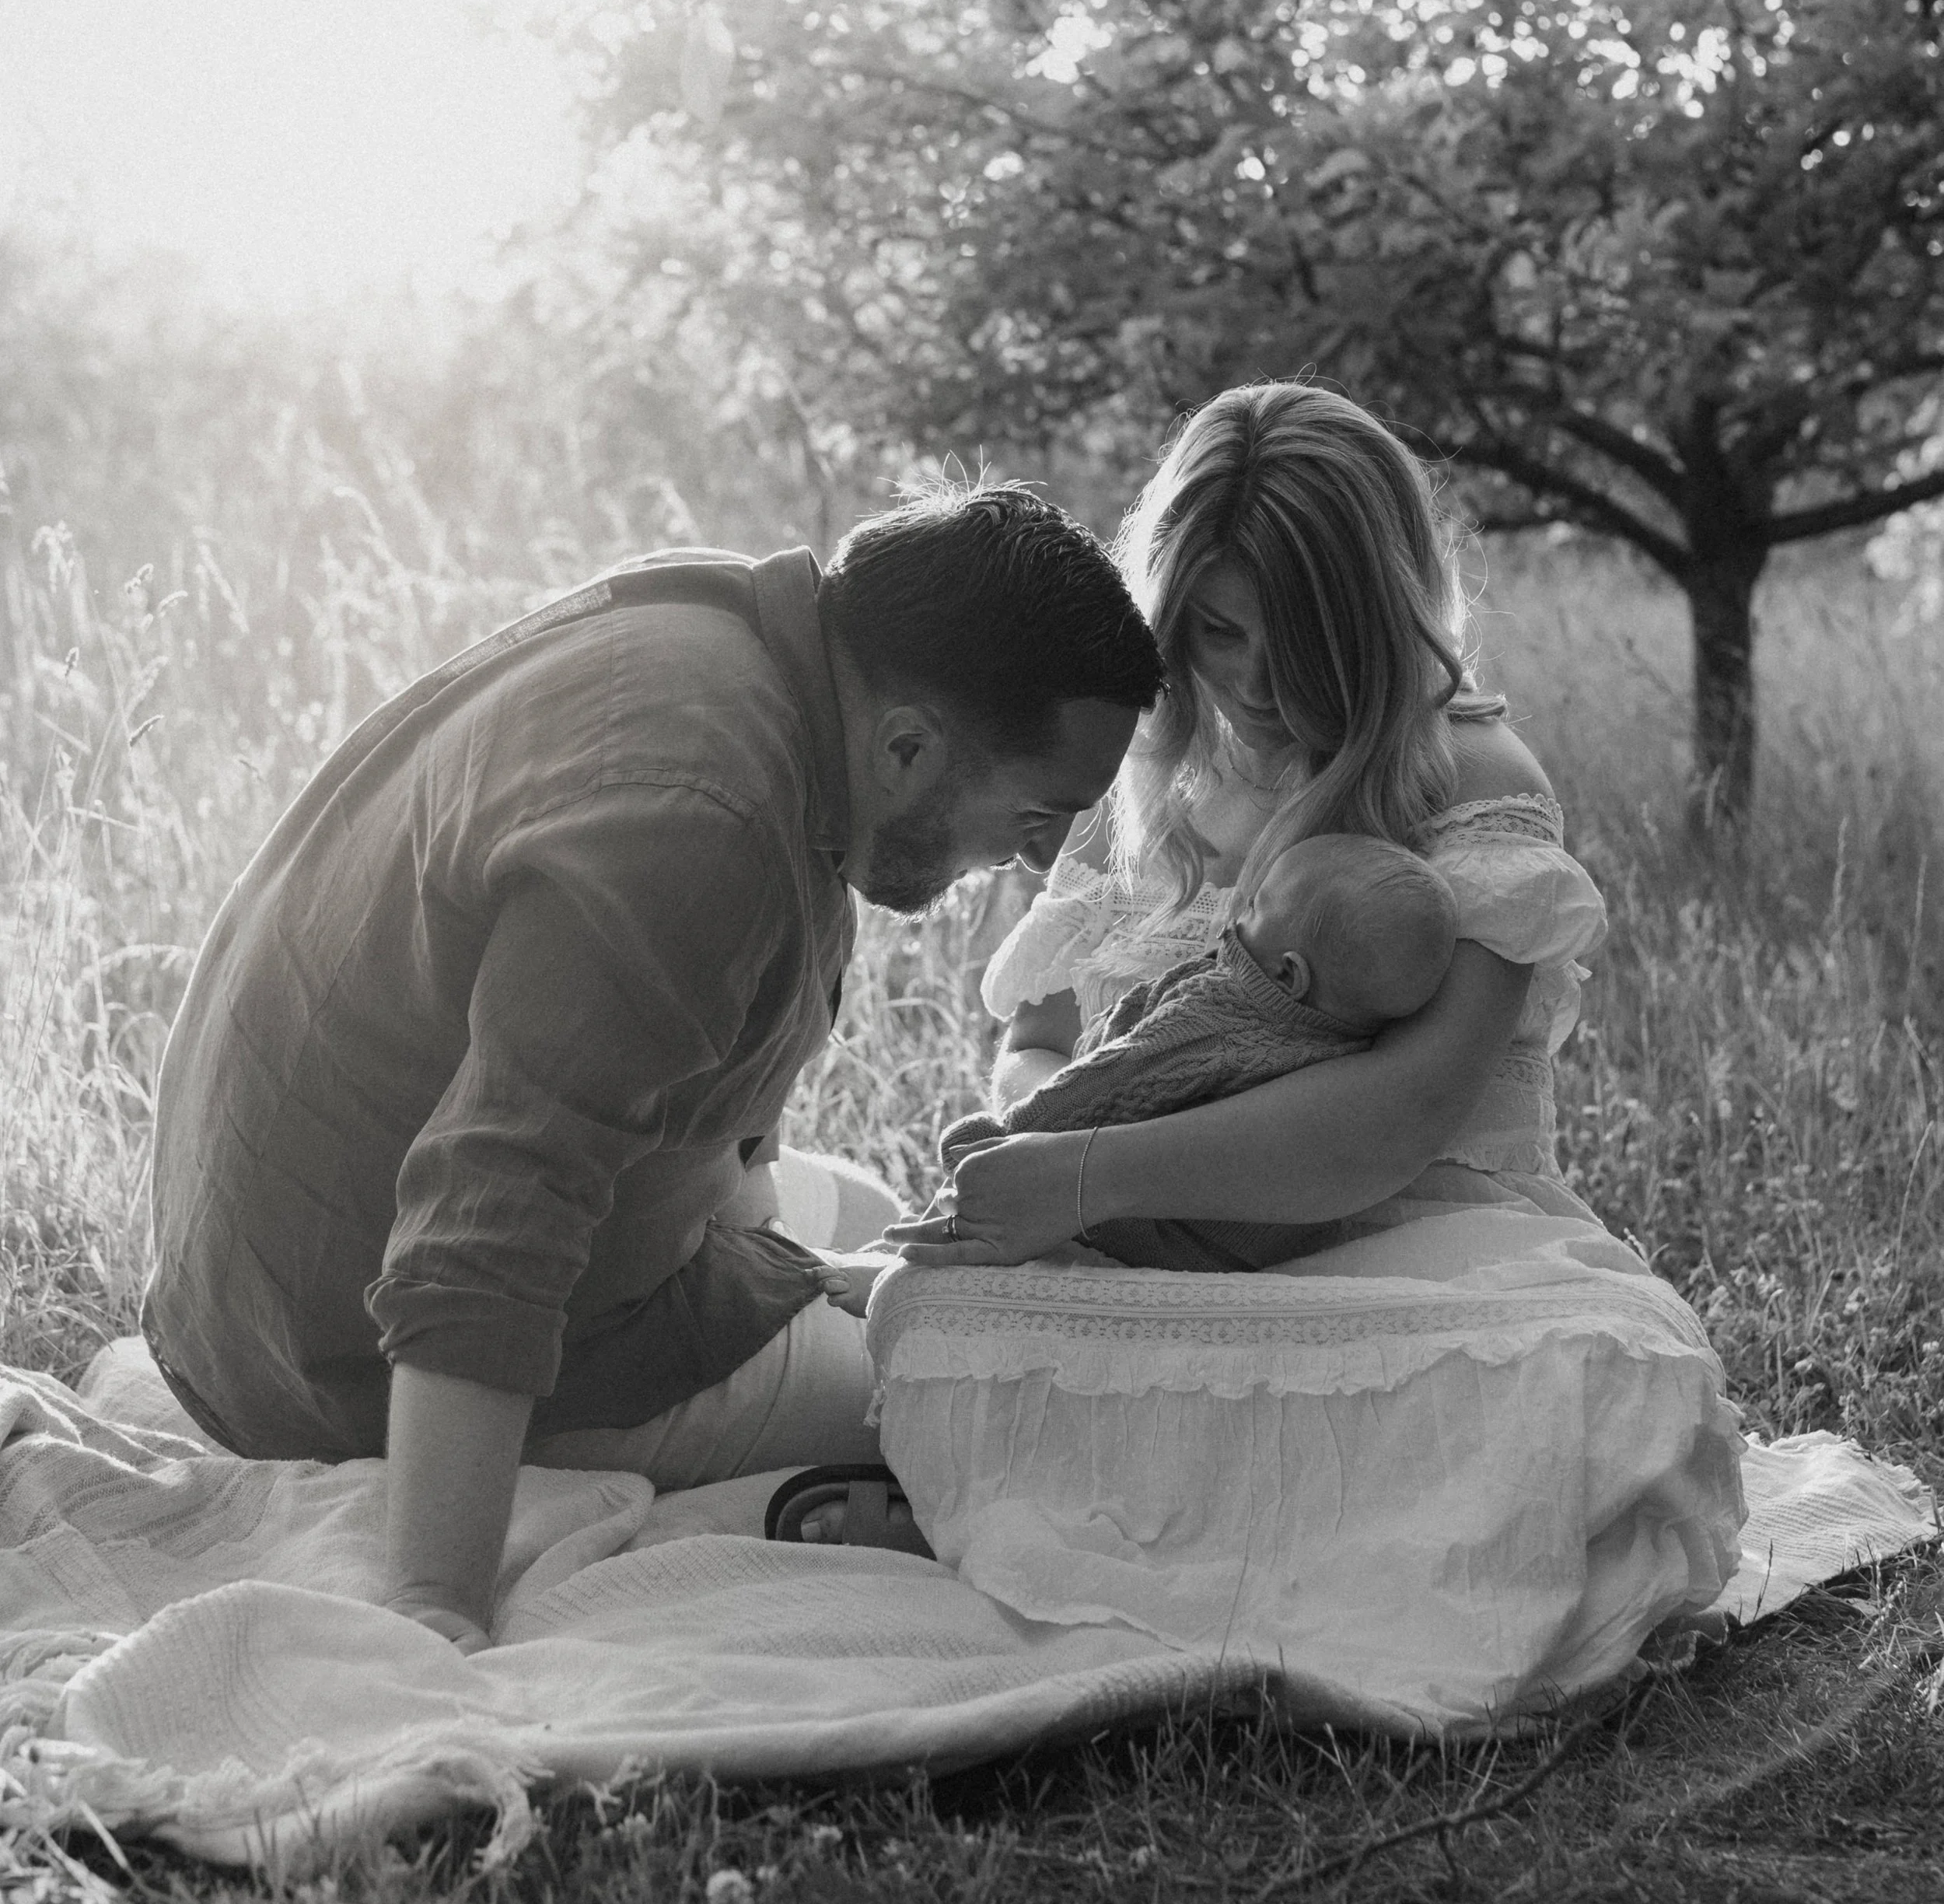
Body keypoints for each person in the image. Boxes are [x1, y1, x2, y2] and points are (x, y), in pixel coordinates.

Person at [141, 483, 1163, 1648]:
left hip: (273, 1266)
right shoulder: (700, 821)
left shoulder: (736, 642)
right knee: (972, 1373)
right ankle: (734, 1507)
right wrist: (433, 1606)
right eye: (1039, 814)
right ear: (909, 744)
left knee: (878, 1220)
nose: (1038, 860)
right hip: (332, 1344)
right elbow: (493, 1213)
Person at [865, 384, 1742, 1708]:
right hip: (1156, 1248)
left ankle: (1136, 1525)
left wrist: (1095, 1176)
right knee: (919, 1311)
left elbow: (1395, 1126)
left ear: (1381, 612)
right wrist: (1042, 1135)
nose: (1260, 680)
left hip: (1428, 1245)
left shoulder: (1475, 779)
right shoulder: (1149, 764)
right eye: (1219, 632)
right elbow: (1033, 1038)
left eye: (1305, 640)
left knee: (1593, 1377)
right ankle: (1240, 1530)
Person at [932, 830, 1466, 1273]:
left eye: (1254, 908)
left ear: (1289, 972)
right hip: (1259, 1244)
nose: (1235, 917)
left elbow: (1117, 1075)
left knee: (977, 1166)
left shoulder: (1220, 1018)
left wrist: (1010, 1142)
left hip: (1162, 1230)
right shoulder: (1346, 1046)